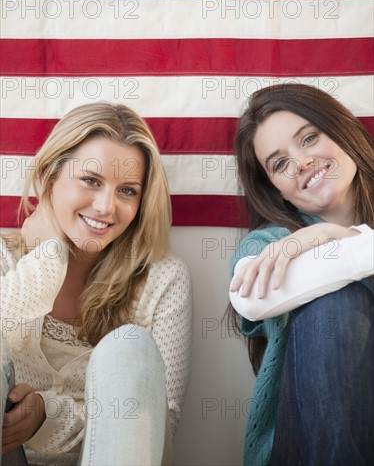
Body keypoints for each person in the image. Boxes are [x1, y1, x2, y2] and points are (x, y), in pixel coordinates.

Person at [0, 102, 193, 466]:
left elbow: (157, 430)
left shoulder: (163, 278)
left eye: (127, 191)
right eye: (90, 181)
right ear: (48, 177)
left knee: (130, 347)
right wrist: (49, 254)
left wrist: (47, 417)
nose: (106, 206)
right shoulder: (4, 259)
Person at [228, 84, 374, 466]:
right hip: (304, 447)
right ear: (277, 191)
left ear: (343, 132)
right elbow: (251, 297)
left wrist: (332, 236)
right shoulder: (269, 243)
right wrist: (339, 238)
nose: (302, 163)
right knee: (338, 302)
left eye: (309, 138)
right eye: (279, 164)